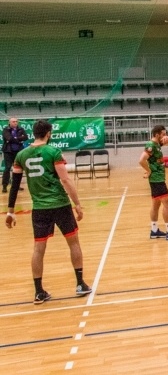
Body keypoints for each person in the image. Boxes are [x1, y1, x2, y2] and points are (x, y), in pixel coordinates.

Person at [5, 119, 92, 304]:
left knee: (39, 248)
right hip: (60, 204)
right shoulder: (53, 152)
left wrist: (10, 211)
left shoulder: (21, 155)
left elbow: (14, 186)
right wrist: (77, 203)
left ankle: (38, 292)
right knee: (73, 242)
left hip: (39, 208)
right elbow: (66, 180)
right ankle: (80, 284)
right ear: (48, 133)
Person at [139, 125, 168, 241]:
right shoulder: (151, 145)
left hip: (157, 179)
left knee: (156, 204)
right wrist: (149, 171)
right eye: (163, 134)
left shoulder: (157, 144)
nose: (165, 136)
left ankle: (154, 231)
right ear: (157, 134)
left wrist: (167, 137)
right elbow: (141, 160)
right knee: (167, 204)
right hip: (157, 179)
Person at [3, 117, 29, 193]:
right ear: (9, 123)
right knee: (7, 168)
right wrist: (19, 139)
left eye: (16, 121)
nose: (15, 123)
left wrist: (15, 138)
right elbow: (9, 138)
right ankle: (5, 186)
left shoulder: (21, 129)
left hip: (18, 152)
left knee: (18, 169)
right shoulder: (6, 130)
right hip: (8, 151)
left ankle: (16, 185)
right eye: (13, 121)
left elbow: (26, 137)